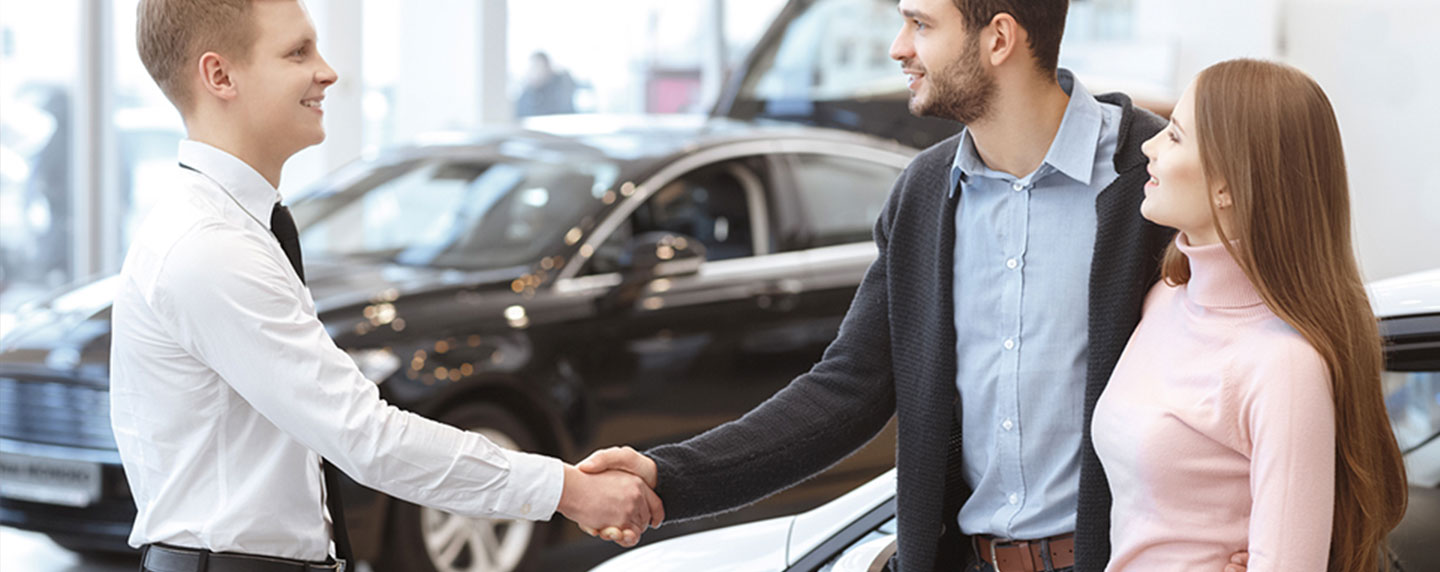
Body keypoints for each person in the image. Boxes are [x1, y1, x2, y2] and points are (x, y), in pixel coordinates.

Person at [580, 1, 1249, 571]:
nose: (899, 48)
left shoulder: (1157, 176)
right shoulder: (925, 194)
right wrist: (669, 476)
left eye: (921, 24)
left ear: (998, 38)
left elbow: (1261, 359)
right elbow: (846, 390)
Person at [110, 2, 657, 571]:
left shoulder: (232, 229)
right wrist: (568, 490)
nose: (327, 72)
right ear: (220, 75)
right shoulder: (210, 247)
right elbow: (366, 436)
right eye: (297, 52)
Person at [1092, 58, 1408, 571]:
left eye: (1174, 136)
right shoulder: (1164, 301)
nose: (1150, 147)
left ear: (1228, 185)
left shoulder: (1283, 365)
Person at [514, 51, 576, 118]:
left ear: (548, 68)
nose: (536, 73)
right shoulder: (528, 92)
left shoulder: (561, 86)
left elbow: (560, 110)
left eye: (538, 67)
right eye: (532, 68)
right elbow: (522, 114)